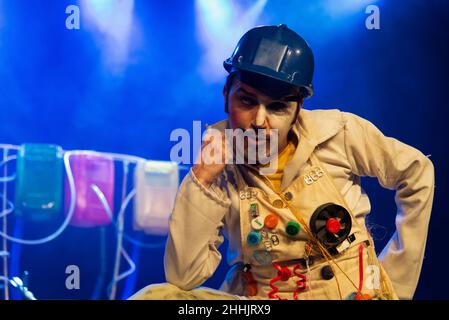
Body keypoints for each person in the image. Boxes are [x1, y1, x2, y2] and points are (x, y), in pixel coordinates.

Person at [130, 24, 434, 300]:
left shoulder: (339, 133)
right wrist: (201, 181)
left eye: (277, 107)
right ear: (226, 95)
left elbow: (417, 172)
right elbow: (183, 276)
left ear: (298, 107)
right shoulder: (217, 164)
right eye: (247, 101)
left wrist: (395, 280)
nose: (259, 122)